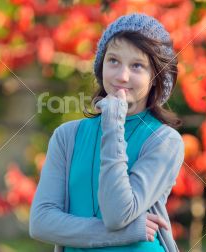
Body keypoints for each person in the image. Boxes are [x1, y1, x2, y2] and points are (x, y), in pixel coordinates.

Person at [29, 13, 185, 252]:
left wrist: (113, 123)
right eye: (113, 61)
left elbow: (117, 214)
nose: (122, 76)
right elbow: (41, 223)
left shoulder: (164, 141)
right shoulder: (67, 137)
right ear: (101, 66)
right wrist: (128, 233)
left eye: (137, 66)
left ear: (155, 78)